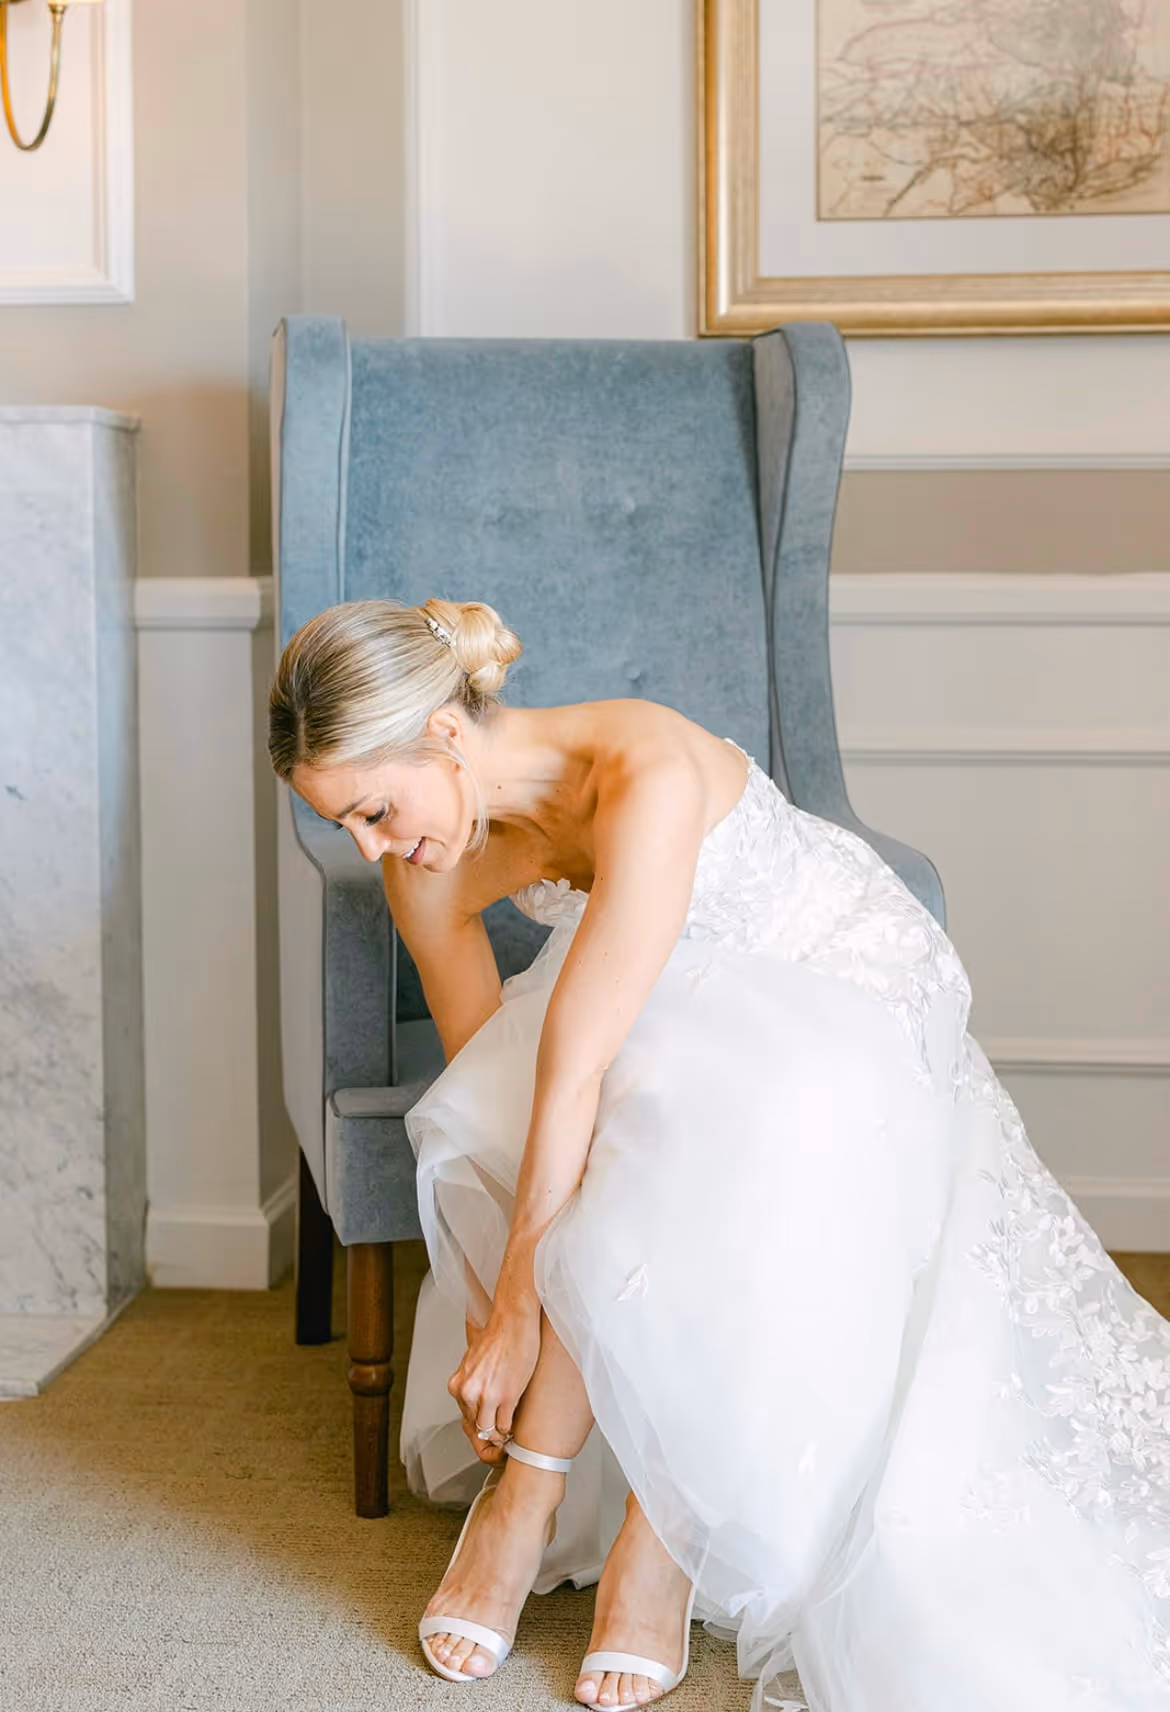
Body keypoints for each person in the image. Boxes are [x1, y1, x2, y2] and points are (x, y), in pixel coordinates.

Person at [268, 595, 1170, 1712]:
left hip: (839, 979)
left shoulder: (641, 764)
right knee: (580, 1116)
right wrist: (511, 1271)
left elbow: (581, 1062)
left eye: (370, 809)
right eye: (344, 825)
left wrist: (516, 1311)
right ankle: (566, 1492)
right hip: (647, 1018)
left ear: (444, 738)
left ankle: (622, 1515)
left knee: (716, 1114)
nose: (369, 847)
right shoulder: (424, 868)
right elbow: (503, 1087)